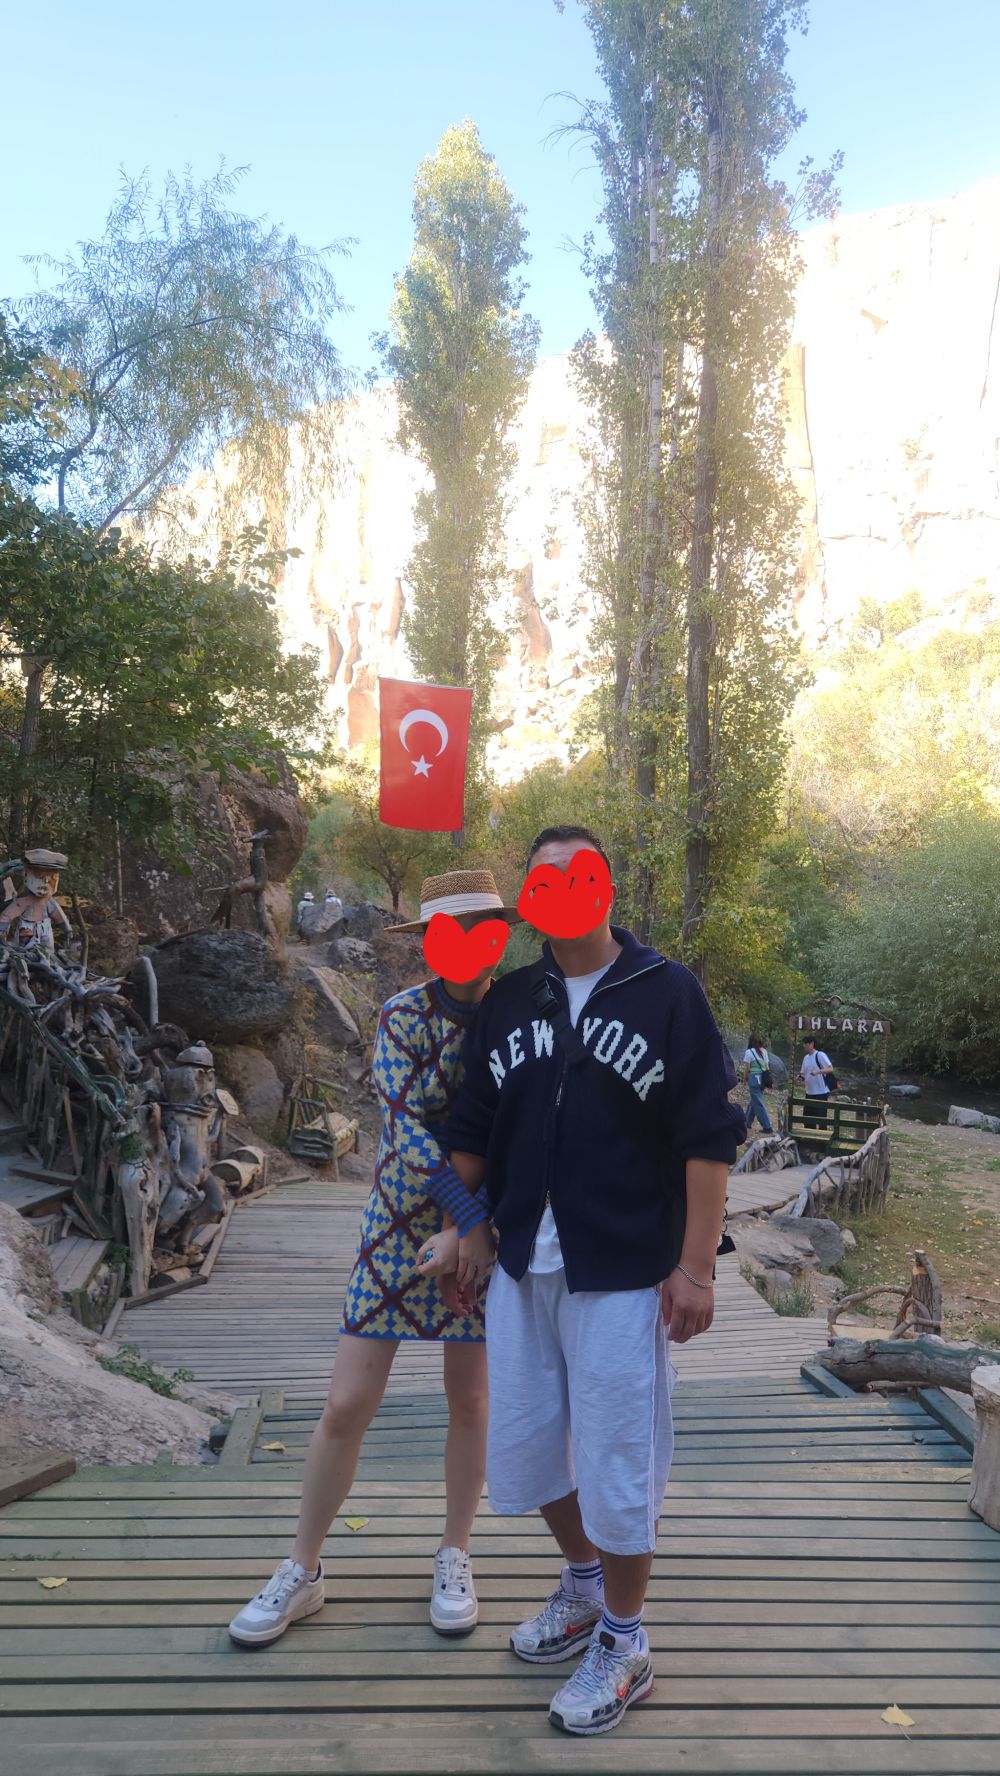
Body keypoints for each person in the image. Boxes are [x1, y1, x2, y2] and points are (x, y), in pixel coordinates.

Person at [438, 825, 745, 1736]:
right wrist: (462, 1230)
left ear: (605, 886)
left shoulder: (667, 992)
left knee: (616, 1459)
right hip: (520, 1261)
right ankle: (582, 1585)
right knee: (529, 1448)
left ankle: (625, 1638)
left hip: (621, 1268)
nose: (563, 889)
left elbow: (708, 1137)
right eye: (545, 879)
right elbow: (472, 1125)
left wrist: (696, 1268)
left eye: (579, 874)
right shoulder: (512, 999)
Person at [228, 869, 517, 1649]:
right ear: (429, 942)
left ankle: (455, 1552)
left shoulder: (521, 1019)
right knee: (347, 1403)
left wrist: (475, 1230)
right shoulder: (401, 1015)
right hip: (398, 1223)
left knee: (472, 1398)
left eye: (481, 930)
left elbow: (519, 1130)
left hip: (484, 1226)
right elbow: (407, 1126)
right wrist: (462, 1220)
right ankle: (303, 1566)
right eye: (449, 932)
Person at [799, 1034, 835, 1128]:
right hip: (809, 1092)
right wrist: (799, 1078)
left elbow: (830, 1069)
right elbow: (803, 1074)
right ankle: (809, 1136)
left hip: (821, 1093)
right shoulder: (806, 1058)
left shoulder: (820, 1055)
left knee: (821, 1119)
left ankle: (821, 1137)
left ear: (811, 1044)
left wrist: (818, 1072)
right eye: (803, 1044)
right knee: (808, 1120)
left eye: (806, 1044)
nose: (804, 1046)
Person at [742, 1035, 774, 1136]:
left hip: (754, 1078)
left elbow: (747, 1069)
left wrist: (744, 1080)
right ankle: (747, 1122)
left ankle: (767, 1126)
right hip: (762, 1079)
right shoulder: (764, 1051)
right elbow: (767, 1067)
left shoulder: (749, 1052)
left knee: (758, 1103)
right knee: (754, 1100)